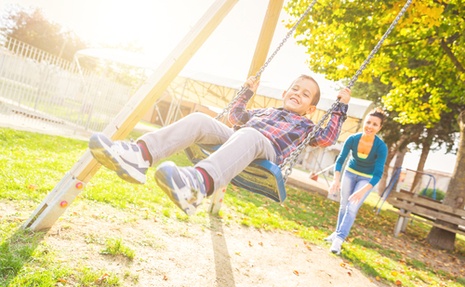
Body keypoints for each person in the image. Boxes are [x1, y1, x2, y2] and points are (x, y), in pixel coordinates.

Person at [89, 75, 352, 215]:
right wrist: (246, 93)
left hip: (267, 153)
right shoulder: (264, 112)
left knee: (250, 135)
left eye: (305, 94)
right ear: (284, 93)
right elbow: (235, 118)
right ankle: (140, 156)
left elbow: (328, 138)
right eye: (295, 88)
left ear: (311, 108)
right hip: (242, 139)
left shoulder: (306, 126)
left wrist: (340, 107)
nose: (297, 94)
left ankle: (197, 185)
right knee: (201, 119)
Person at [325, 108, 387, 255]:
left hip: (366, 179)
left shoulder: (381, 147)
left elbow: (378, 173)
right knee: (344, 205)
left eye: (375, 124)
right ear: (364, 122)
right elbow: (340, 160)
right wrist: (336, 180)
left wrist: (362, 191)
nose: (370, 126)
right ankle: (336, 233)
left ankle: (339, 239)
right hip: (350, 173)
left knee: (352, 208)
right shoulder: (353, 139)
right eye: (368, 122)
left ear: (379, 128)